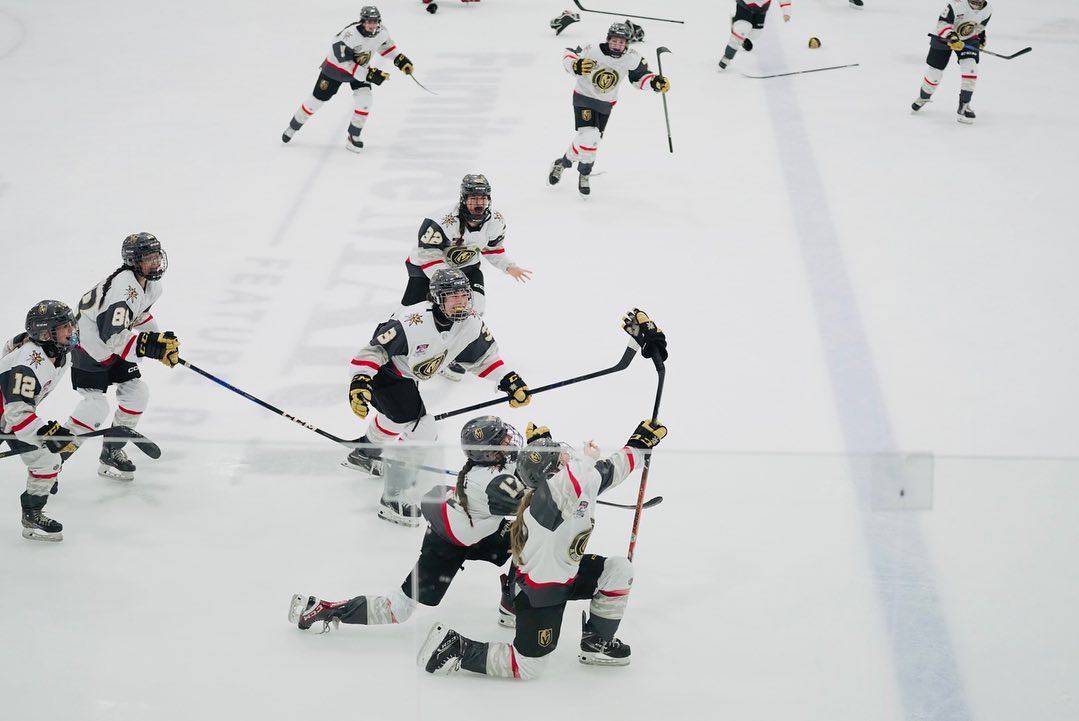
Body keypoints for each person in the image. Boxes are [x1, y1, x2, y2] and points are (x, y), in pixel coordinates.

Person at [417, 416, 667, 678]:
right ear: (552, 476)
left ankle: (597, 642)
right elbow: (572, 479)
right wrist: (584, 458)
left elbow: (609, 470)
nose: (568, 457)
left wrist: (637, 446)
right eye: (561, 459)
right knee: (528, 666)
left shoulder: (570, 487)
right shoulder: (545, 507)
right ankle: (456, 647)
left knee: (618, 570)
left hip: (567, 573)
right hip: (540, 592)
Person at [289, 415, 530, 632]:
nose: (509, 440)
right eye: (502, 439)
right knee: (398, 609)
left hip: (473, 529)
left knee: (530, 536)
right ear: (489, 453)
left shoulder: (492, 467)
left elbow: (521, 475)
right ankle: (325, 609)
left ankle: (512, 602)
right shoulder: (493, 483)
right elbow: (537, 501)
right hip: (448, 545)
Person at [343, 268, 532, 526]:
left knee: (399, 419)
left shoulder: (471, 323)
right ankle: (393, 498)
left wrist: (508, 379)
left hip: (407, 376)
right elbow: (374, 350)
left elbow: (483, 358)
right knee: (422, 429)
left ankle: (365, 452)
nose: (460, 301)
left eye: (464, 295)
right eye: (452, 296)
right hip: (386, 373)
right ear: (437, 299)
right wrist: (360, 380)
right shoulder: (412, 322)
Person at [70, 233, 180, 481]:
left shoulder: (152, 286)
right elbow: (111, 335)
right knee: (94, 407)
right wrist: (147, 346)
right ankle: (54, 459)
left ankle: (112, 451)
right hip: (89, 349)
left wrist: (159, 341)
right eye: (148, 258)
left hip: (113, 345)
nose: (155, 262)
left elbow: (138, 316)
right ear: (133, 261)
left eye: (156, 256)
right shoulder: (124, 288)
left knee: (137, 393)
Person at [402, 174, 531, 382]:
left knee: (473, 309)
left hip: (466, 270)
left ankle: (452, 354)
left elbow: (492, 249)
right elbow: (427, 255)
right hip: (425, 270)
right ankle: (390, 346)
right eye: (474, 198)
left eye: (483, 198)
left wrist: (509, 266)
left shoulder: (495, 220)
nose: (479, 203)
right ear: (463, 199)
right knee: (411, 314)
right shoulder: (441, 220)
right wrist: (447, 283)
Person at [548, 22, 670, 197]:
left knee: (593, 141)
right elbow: (569, 53)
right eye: (614, 41)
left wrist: (654, 82)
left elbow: (641, 78)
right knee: (589, 135)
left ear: (626, 43)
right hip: (584, 98)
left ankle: (564, 164)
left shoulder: (632, 57)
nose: (617, 45)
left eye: (622, 42)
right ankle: (581, 172)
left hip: (606, 104)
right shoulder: (592, 49)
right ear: (608, 39)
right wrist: (576, 65)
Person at [281, 6, 415, 151]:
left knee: (365, 100)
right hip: (335, 70)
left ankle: (353, 136)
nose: (372, 25)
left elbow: (386, 47)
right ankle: (293, 127)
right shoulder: (349, 35)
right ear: (362, 22)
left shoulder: (381, 31)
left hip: (360, 69)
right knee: (315, 102)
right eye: (369, 21)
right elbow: (343, 62)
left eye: (375, 21)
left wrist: (400, 60)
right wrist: (368, 74)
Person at [1, 301, 79, 541]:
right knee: (47, 456)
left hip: (9, 416)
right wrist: (44, 433)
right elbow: (17, 413)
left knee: (47, 460)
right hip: (11, 415)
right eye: (64, 327)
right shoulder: (29, 362)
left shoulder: (58, 350)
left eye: (70, 324)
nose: (71, 330)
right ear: (46, 333)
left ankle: (32, 515)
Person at [911, 1, 992, 124]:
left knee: (971, 68)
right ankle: (924, 96)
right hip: (942, 38)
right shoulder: (955, 5)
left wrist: (981, 37)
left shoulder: (988, 9)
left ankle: (964, 105)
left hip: (967, 39)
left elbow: (979, 26)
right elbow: (942, 24)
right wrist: (952, 37)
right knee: (935, 73)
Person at [717, 0, 792, 71]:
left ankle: (739, 32)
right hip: (745, 4)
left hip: (761, 8)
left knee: (755, 34)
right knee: (742, 27)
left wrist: (786, 11)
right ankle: (726, 58)